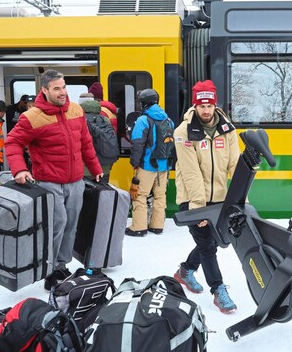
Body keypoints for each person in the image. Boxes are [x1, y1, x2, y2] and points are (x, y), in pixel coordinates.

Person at [4, 69, 103, 291]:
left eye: (64, 87)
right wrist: (19, 169)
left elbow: (85, 143)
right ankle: (48, 270)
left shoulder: (76, 110)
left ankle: (60, 265)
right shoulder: (31, 117)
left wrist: (95, 168)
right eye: (56, 88)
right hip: (48, 181)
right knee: (56, 225)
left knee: (70, 225)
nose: (62, 92)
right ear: (45, 90)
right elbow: (12, 143)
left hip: (75, 181)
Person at [173, 80, 241, 314]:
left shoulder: (228, 129)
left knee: (214, 242)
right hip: (192, 198)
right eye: (201, 106)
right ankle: (218, 290)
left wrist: (242, 200)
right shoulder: (183, 132)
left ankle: (185, 270)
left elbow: (235, 165)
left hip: (219, 197)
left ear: (215, 104)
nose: (206, 110)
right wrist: (198, 209)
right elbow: (191, 173)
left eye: (209, 105)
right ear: (195, 105)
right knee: (207, 245)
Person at [125, 89, 174, 237]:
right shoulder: (168, 120)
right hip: (164, 166)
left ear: (143, 103)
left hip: (147, 165)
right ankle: (157, 226)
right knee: (160, 196)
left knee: (139, 195)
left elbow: (137, 144)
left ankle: (138, 227)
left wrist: (135, 163)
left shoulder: (142, 120)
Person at [80, 97, 117, 182]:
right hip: (105, 167)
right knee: (103, 193)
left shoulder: (82, 120)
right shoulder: (106, 120)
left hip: (86, 168)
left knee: (87, 194)